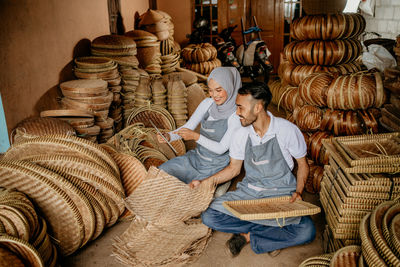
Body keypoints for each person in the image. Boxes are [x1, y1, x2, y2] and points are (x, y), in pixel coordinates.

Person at [190, 82, 316, 257]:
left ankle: (249, 236)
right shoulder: (241, 134)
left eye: (241, 107)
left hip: (279, 193)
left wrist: (299, 191)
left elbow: (303, 164)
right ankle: (271, 231)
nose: (237, 112)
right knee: (210, 216)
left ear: (257, 107)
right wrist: (204, 183)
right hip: (249, 193)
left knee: (307, 231)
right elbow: (234, 169)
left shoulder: (286, 130)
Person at [157, 67, 242, 185]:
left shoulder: (236, 116)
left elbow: (221, 148)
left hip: (214, 167)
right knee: (161, 173)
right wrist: (170, 136)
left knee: (190, 192)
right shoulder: (208, 103)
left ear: (229, 86)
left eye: (218, 90)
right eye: (211, 90)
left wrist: (196, 137)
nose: (214, 95)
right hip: (195, 158)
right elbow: (189, 126)